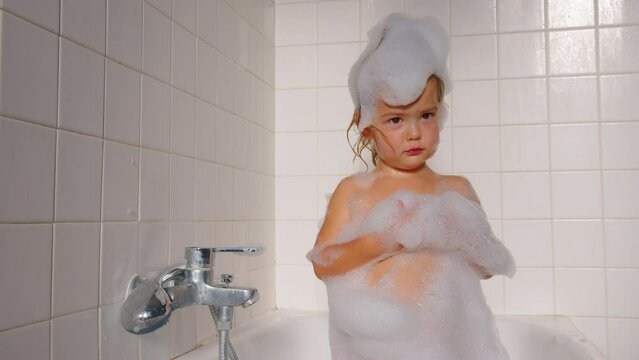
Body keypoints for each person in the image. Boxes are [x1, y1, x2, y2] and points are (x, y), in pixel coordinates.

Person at [307, 13, 516, 360]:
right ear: (366, 126)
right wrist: (383, 239)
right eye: (395, 120)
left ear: (440, 113)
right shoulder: (354, 191)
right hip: (377, 345)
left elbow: (485, 267)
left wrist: (460, 235)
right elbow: (324, 262)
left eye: (426, 115)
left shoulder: (455, 190)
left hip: (448, 345)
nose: (414, 132)